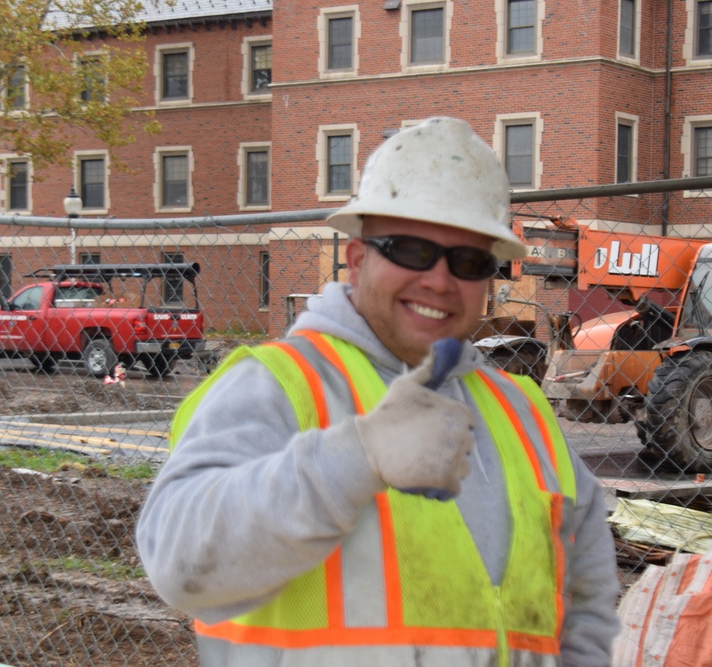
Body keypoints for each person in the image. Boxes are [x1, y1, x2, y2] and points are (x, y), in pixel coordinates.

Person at [136, 117, 621, 666]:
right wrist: (354, 457)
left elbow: (587, 586)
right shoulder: (277, 384)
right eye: (412, 250)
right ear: (359, 258)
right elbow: (178, 564)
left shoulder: (523, 410)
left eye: (467, 261)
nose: (439, 280)